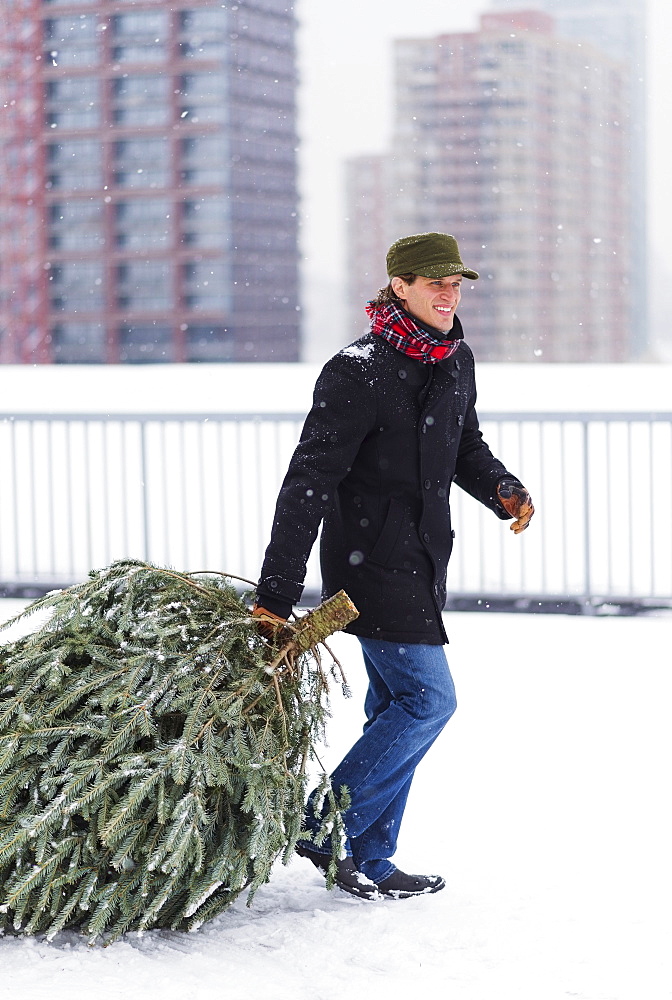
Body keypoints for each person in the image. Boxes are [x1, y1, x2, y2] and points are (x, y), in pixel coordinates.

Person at [254, 232, 534, 901]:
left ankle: (373, 858)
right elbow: (308, 484)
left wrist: (502, 489)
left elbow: (464, 444)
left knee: (393, 708)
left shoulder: (454, 360)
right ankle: (327, 824)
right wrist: (275, 594)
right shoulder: (356, 370)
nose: (448, 294)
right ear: (398, 287)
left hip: (425, 559)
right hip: (371, 566)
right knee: (428, 700)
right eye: (434, 282)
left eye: (456, 283)